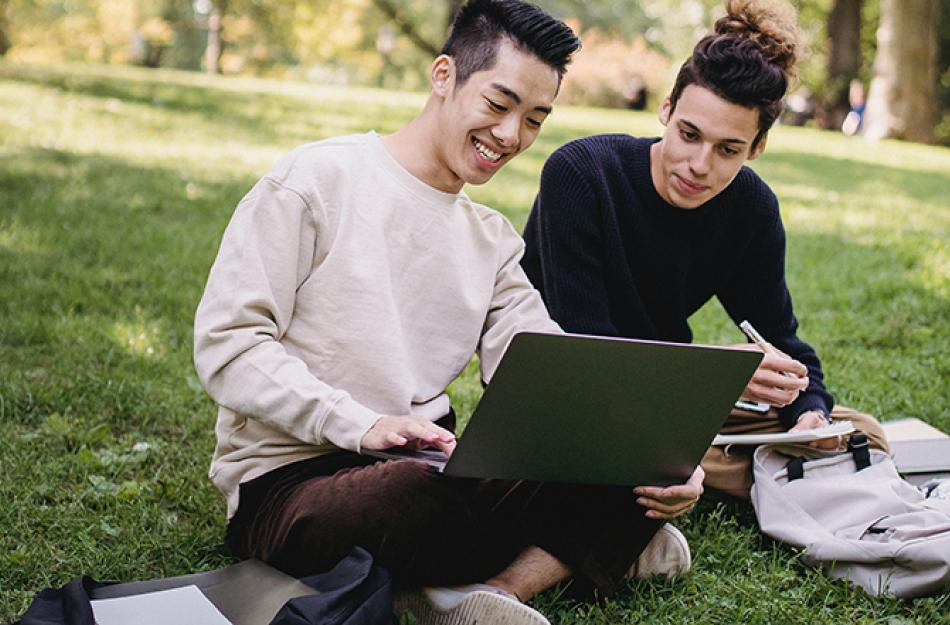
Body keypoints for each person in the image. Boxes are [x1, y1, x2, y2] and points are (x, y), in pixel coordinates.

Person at [193, 2, 702, 624]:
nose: (512, 136)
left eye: (535, 118)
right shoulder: (315, 181)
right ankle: (583, 549)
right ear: (443, 76)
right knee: (407, 496)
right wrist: (359, 424)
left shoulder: (489, 239)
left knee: (620, 466)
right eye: (498, 104)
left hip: (433, 465)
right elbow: (230, 345)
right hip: (294, 484)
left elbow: (554, 373)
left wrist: (664, 456)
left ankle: (490, 592)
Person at [521, 0, 888, 499]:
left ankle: (705, 464)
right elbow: (589, 360)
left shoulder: (750, 208)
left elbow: (782, 344)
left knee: (858, 429)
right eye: (689, 135)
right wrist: (719, 375)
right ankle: (737, 471)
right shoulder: (582, 175)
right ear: (666, 111)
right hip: (570, 396)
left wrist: (808, 415)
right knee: (606, 444)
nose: (699, 164)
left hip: (665, 404)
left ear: (756, 148)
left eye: (728, 149)